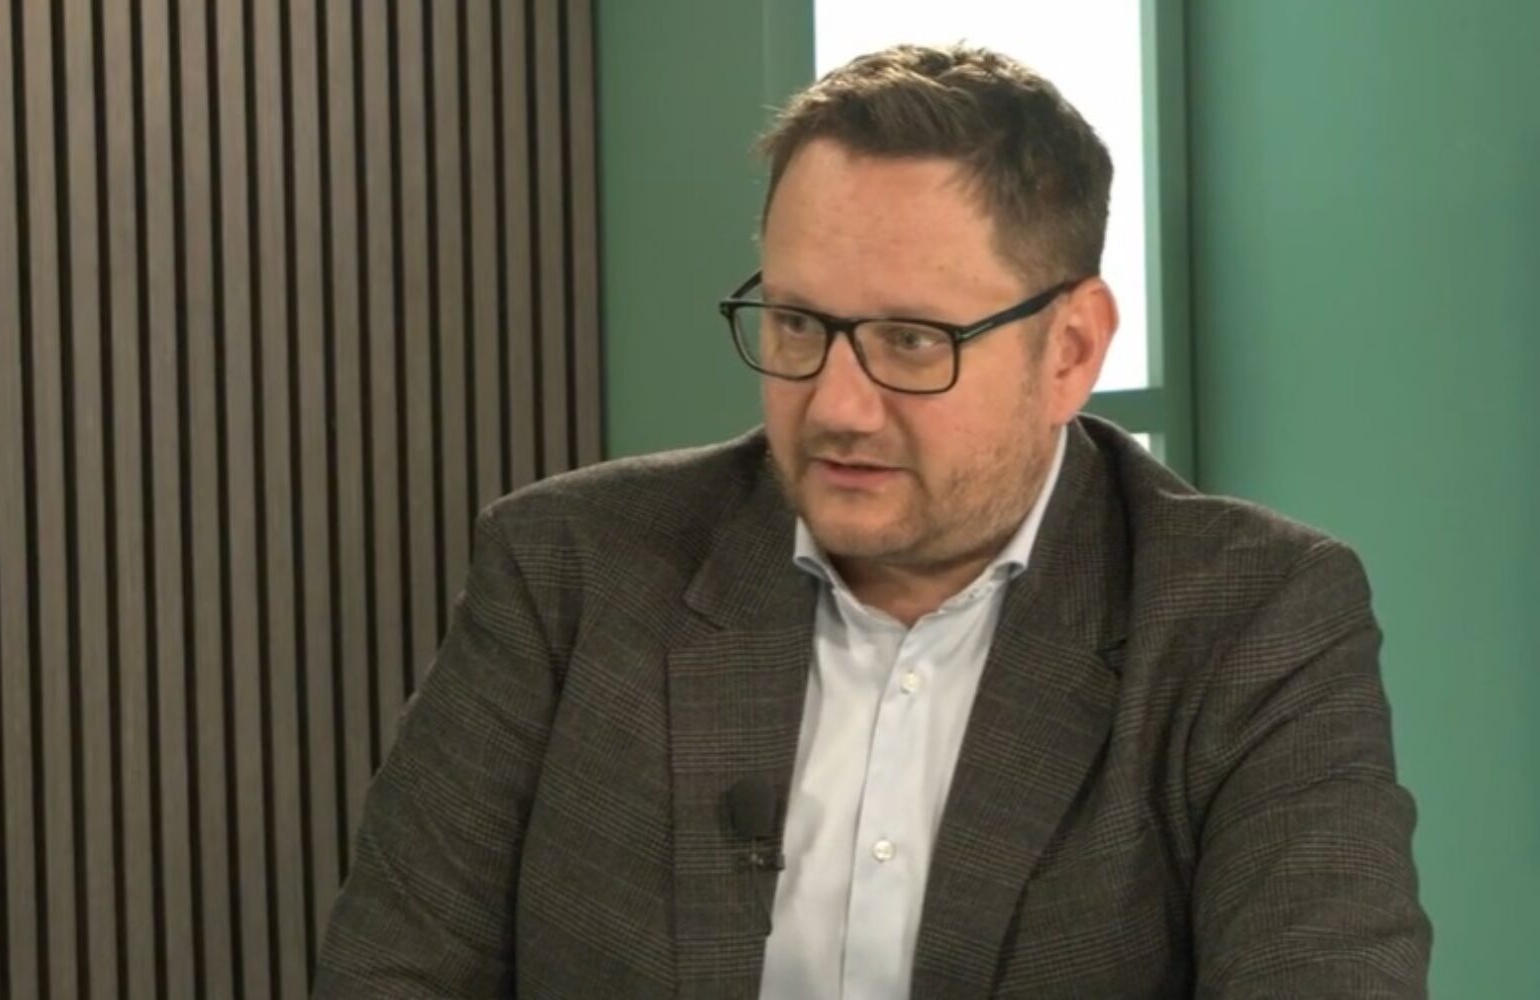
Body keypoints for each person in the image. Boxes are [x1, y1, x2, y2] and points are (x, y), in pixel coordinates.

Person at [314, 43, 1431, 998]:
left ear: (1071, 349)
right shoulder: (569, 568)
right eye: (798, 323)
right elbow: (394, 973)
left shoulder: (1252, 620)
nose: (837, 407)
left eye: (912, 341)